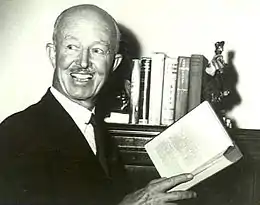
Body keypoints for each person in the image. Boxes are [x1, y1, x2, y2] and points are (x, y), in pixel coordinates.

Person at [0, 4, 197, 205]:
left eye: (97, 50)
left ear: (114, 63)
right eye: (72, 47)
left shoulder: (99, 133)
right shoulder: (16, 133)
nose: (83, 62)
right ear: (53, 54)